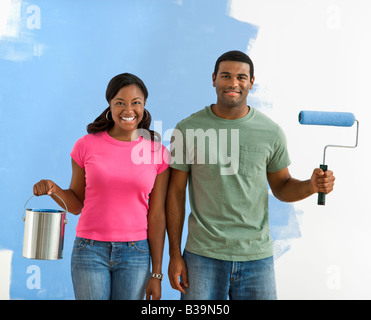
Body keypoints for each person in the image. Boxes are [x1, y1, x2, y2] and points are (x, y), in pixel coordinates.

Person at [166, 50, 335, 300]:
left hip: (257, 258)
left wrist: (311, 186)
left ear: (251, 83)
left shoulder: (270, 131)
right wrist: (175, 255)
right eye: (225, 76)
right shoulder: (187, 129)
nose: (233, 83)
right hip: (203, 255)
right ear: (213, 79)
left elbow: (282, 187)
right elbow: (176, 193)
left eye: (241, 77)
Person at [33, 73, 170, 300]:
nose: (128, 110)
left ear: (144, 106)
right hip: (89, 250)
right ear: (109, 105)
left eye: (136, 103)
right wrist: (53, 189)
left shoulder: (158, 153)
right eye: (120, 103)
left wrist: (156, 273)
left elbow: (156, 216)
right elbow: (76, 205)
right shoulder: (86, 146)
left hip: (136, 253)